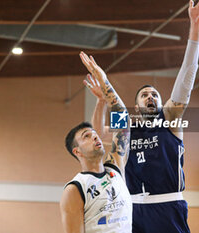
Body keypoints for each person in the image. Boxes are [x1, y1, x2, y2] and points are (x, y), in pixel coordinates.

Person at [86, 0, 199, 232]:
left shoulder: (171, 121)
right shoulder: (128, 127)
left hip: (168, 205)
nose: (150, 97)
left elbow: (186, 78)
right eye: (144, 95)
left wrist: (195, 27)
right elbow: (100, 133)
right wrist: (100, 101)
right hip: (133, 207)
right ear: (136, 106)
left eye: (155, 94)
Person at [60, 52, 132, 233]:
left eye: (95, 134)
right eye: (86, 136)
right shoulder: (75, 189)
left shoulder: (115, 167)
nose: (95, 137)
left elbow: (123, 123)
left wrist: (105, 87)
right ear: (77, 152)